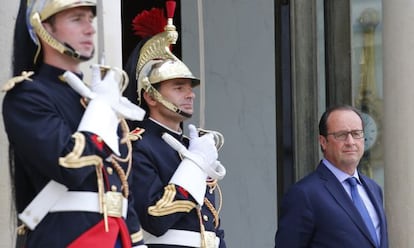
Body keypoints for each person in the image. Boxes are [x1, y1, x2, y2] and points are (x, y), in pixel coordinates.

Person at [2, 0, 146, 247]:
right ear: (44, 28)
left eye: (90, 19)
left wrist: (137, 242)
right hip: (66, 238)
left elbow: (121, 186)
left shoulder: (93, 99)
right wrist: (102, 109)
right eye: (76, 19)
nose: (89, 28)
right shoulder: (27, 96)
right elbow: (71, 165)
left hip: (116, 237)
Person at [124, 2, 227, 247]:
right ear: (150, 96)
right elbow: (155, 217)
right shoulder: (139, 145)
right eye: (178, 88)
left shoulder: (192, 144)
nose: (190, 94)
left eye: (189, 88)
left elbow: (210, 222)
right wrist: (195, 165)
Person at [274, 105, 388, 248]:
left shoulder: (374, 189)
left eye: (356, 133)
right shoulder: (304, 194)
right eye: (341, 135)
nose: (350, 142)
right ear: (323, 142)